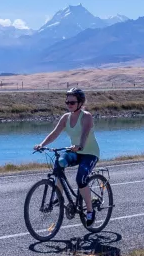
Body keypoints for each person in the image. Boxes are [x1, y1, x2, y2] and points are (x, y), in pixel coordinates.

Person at [34, 87, 101, 225]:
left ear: (80, 103)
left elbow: (85, 134)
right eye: (67, 102)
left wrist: (80, 145)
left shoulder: (86, 116)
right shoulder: (66, 118)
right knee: (59, 163)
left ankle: (89, 211)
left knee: (80, 178)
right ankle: (59, 195)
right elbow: (54, 133)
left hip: (89, 153)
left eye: (72, 102)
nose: (69, 105)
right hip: (75, 152)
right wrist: (41, 144)